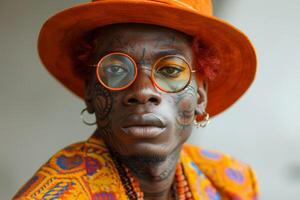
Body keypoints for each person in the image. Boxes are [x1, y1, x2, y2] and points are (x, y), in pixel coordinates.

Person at [13, 0, 259, 199]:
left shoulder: (232, 184)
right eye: (117, 70)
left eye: (171, 70)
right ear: (90, 93)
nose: (143, 91)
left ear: (201, 95)